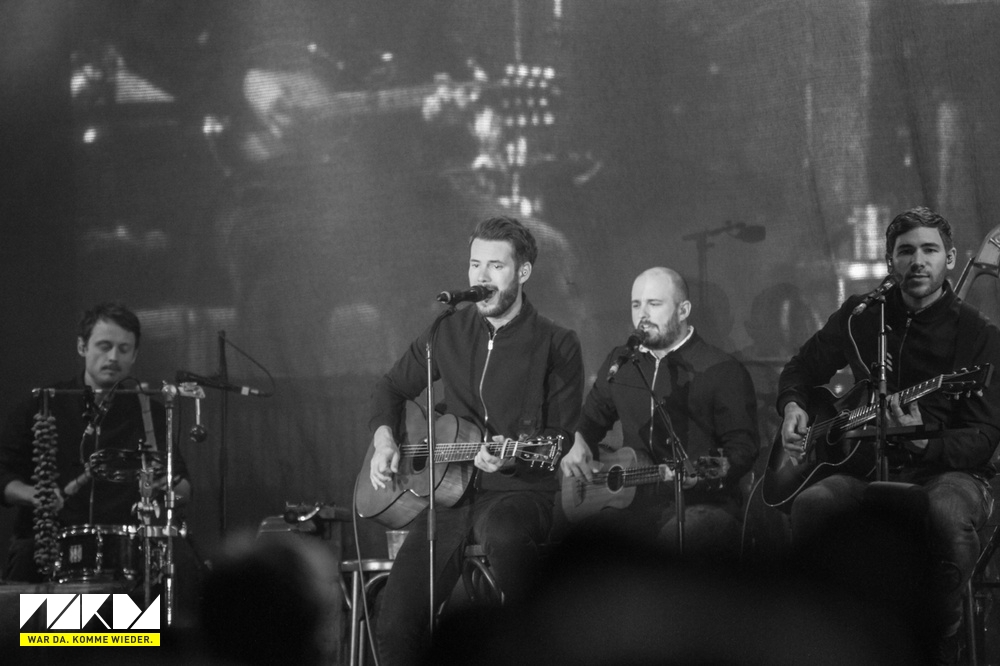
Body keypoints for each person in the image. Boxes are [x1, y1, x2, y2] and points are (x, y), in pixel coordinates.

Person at [777, 206, 1000, 664]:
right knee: (814, 504)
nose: (918, 261)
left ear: (950, 259)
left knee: (945, 512)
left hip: (951, 473)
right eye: (906, 251)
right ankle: (831, 636)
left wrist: (921, 442)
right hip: (866, 468)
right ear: (889, 260)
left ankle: (940, 635)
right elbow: (802, 367)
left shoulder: (979, 335)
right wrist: (794, 405)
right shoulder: (862, 316)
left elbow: (983, 436)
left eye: (929, 250)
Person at [368, 215, 584, 666]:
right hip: (448, 499)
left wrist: (508, 460)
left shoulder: (556, 343)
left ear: (523, 272)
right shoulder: (446, 330)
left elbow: (559, 440)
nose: (481, 278)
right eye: (474, 265)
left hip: (518, 493)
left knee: (505, 537)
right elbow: (391, 387)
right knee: (395, 621)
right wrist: (385, 438)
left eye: (495, 266)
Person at [560, 267, 759, 559]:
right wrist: (577, 439)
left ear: (683, 310)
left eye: (654, 304)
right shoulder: (621, 363)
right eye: (636, 305)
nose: (642, 314)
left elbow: (743, 448)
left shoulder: (721, 369)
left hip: (704, 504)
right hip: (631, 503)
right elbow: (590, 418)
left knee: (673, 543)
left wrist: (701, 474)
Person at [0, 302, 192, 583]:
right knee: (33, 592)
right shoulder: (44, 404)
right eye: (104, 346)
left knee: (172, 575)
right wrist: (35, 495)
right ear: (82, 347)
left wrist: (169, 486)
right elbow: (3, 473)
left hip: (123, 552)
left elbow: (183, 485)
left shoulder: (150, 413)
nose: (113, 357)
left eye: (123, 349)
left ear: (134, 355)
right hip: (46, 546)